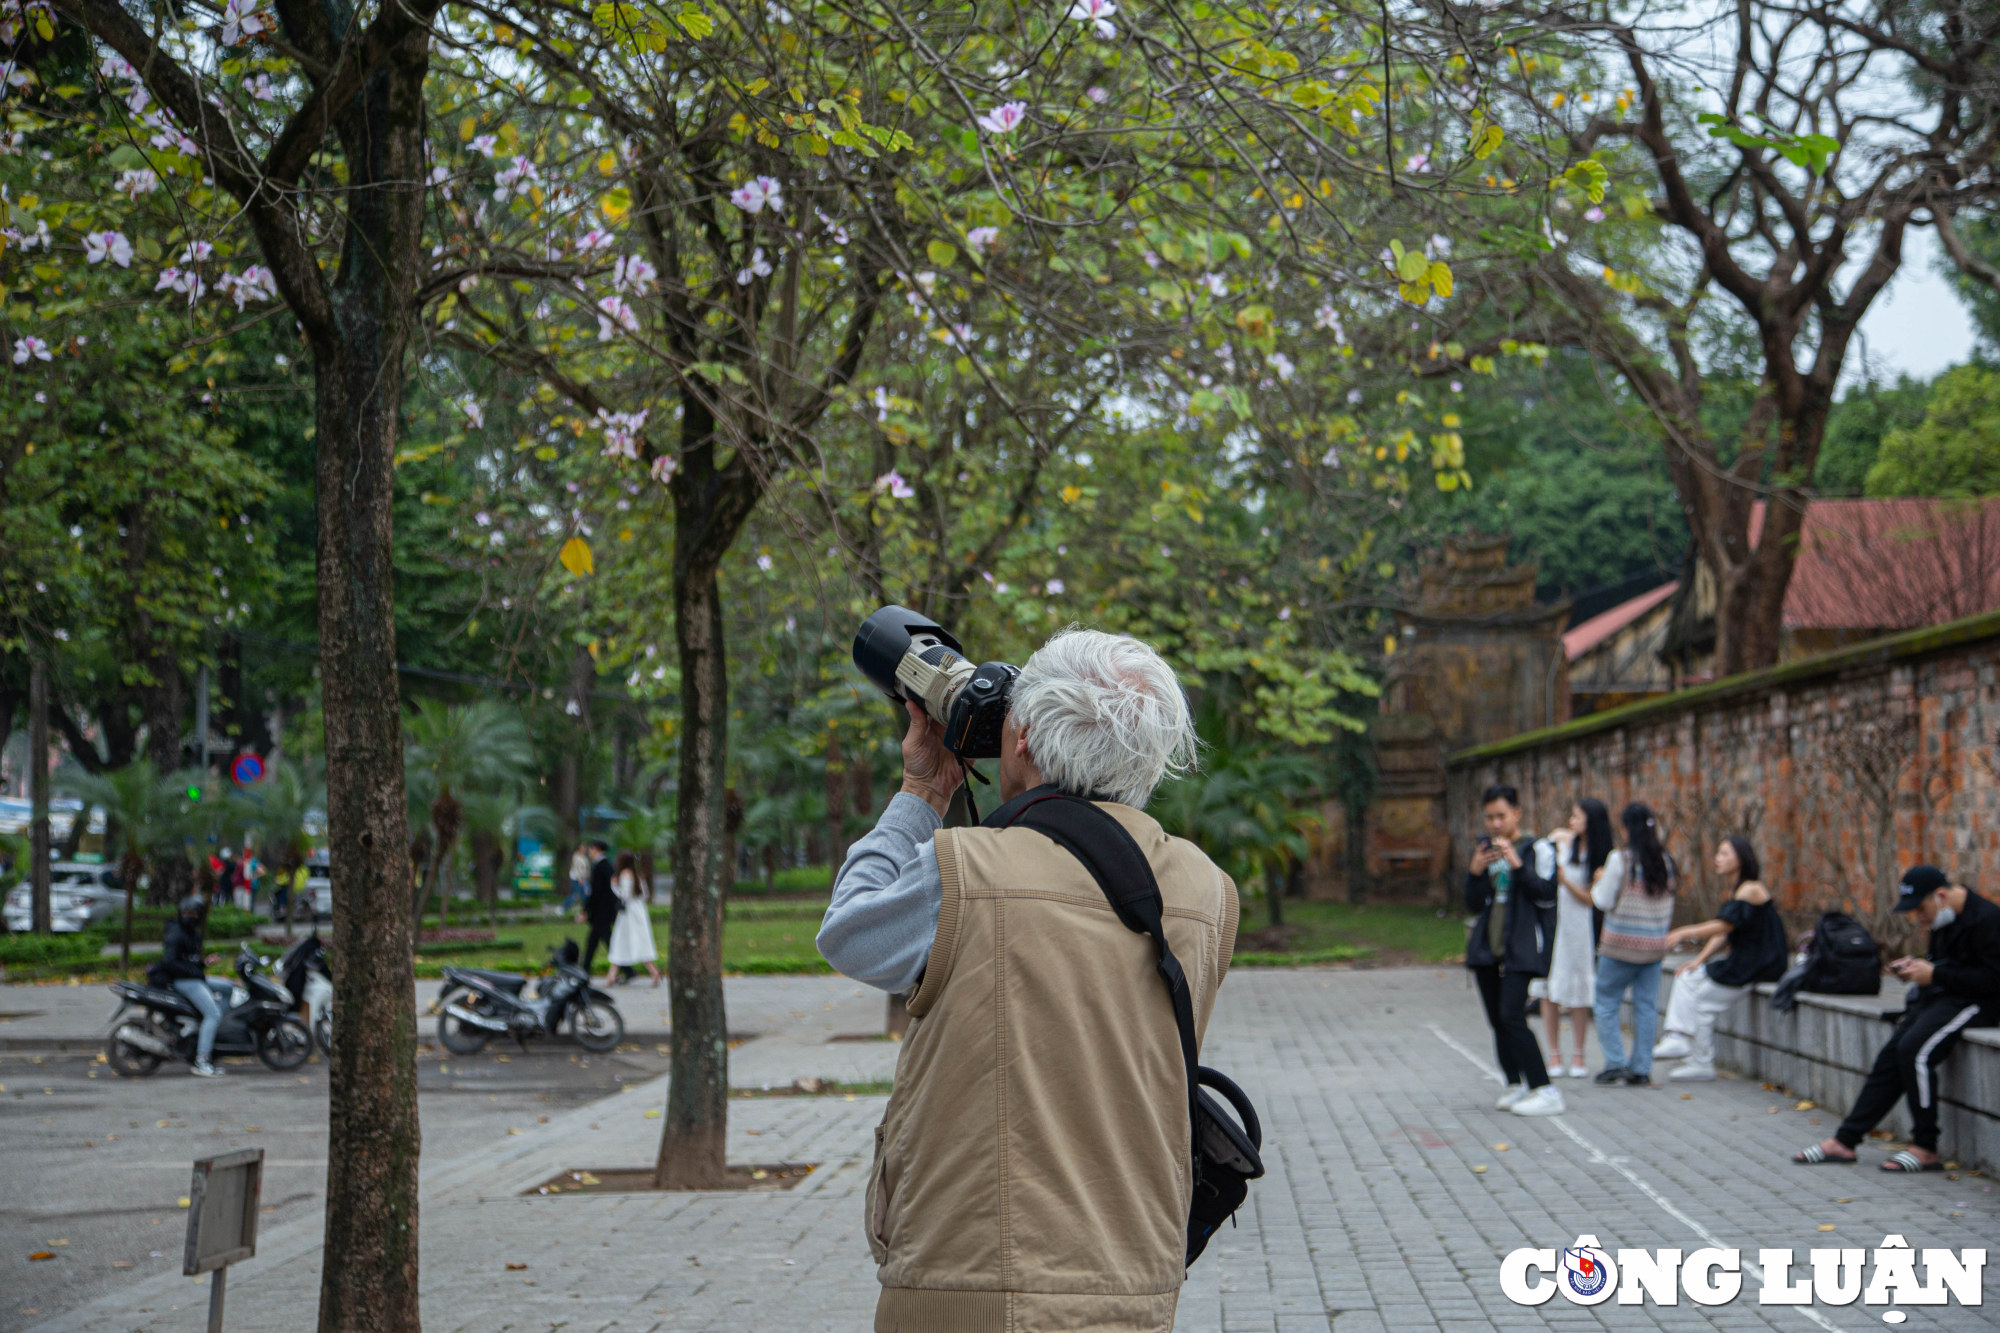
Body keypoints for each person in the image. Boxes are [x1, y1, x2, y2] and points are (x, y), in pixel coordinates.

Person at [816, 628, 1236, 1331]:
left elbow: (849, 930)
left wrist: (922, 789)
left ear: (1021, 741)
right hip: (1135, 1280)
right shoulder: (1206, 889)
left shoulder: (965, 872)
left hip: (971, 1284)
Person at [1794, 866, 2000, 1171]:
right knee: (1893, 1052)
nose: (1920, 918)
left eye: (1921, 909)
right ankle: (1845, 1141)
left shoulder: (1988, 919)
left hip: (1981, 1004)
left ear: (1940, 896)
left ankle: (1926, 1147)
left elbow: (1992, 980)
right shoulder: (1943, 918)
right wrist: (1917, 968)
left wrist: (1935, 974)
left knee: (1916, 1052)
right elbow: (1945, 965)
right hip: (1948, 997)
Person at [1652, 836, 1787, 1081]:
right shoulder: (1739, 890)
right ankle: (1678, 1038)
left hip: (1759, 963)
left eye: (1724, 853)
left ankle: (1700, 1061)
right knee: (1688, 975)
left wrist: (1684, 932)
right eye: (1718, 853)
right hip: (1745, 959)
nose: (1718, 858)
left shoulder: (1751, 888)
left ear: (1741, 859)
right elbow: (1726, 930)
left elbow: (1722, 925)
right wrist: (1699, 960)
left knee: (1702, 1002)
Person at [1465, 784, 1564, 1117]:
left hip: (1522, 946)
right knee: (1497, 1019)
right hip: (1488, 948)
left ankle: (1544, 1088)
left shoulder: (1539, 847)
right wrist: (1475, 873)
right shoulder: (1485, 850)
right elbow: (1472, 904)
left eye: (1501, 816)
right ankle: (1514, 1083)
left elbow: (1547, 894)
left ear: (1516, 814)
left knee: (1512, 1015)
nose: (1494, 824)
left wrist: (1518, 865)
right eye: (1489, 817)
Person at [1591, 802, 1676, 1086]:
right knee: (1646, 1007)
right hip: (1652, 949)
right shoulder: (1667, 862)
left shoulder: (1621, 859)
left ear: (1628, 828)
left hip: (1619, 947)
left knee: (1605, 1003)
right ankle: (1641, 1067)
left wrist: (1598, 881)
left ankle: (1615, 1063)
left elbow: (1602, 900)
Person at [1537, 799, 1612, 1079]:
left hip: (1580, 928)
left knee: (1580, 988)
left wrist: (1565, 881)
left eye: (1577, 816)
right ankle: (1554, 1053)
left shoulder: (1600, 857)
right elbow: (1553, 837)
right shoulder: (1564, 844)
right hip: (1554, 922)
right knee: (1549, 987)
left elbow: (1590, 899)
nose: (1572, 820)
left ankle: (1579, 1053)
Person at [159, 895, 232, 1078]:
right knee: (213, 1014)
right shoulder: (176, 933)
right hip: (184, 982)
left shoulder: (193, 934)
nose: (188, 916)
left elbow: (189, 962)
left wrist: (203, 964)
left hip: (194, 978)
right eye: (185, 913)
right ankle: (202, 1060)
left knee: (228, 988)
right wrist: (195, 972)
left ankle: (207, 1031)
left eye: (192, 913)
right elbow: (170, 963)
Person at [606, 850, 661, 986]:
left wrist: (613, 886)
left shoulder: (625, 875)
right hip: (639, 912)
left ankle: (611, 976)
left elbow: (624, 896)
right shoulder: (638, 875)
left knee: (619, 942)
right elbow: (645, 895)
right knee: (640, 942)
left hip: (628, 915)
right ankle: (653, 971)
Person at [578, 840, 619, 972]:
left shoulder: (600, 867)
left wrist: (585, 909)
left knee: (607, 941)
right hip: (603, 912)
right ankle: (585, 969)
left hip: (601, 912)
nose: (589, 852)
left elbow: (596, 892)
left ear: (596, 849)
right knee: (593, 942)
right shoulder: (606, 865)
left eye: (590, 849)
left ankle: (627, 969)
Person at [562, 846, 591, 915]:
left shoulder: (584, 857)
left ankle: (584, 910)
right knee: (576, 895)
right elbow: (576, 868)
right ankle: (563, 907)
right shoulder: (576, 856)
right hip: (578, 878)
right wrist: (579, 878)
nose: (585, 849)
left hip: (584, 878)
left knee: (585, 894)